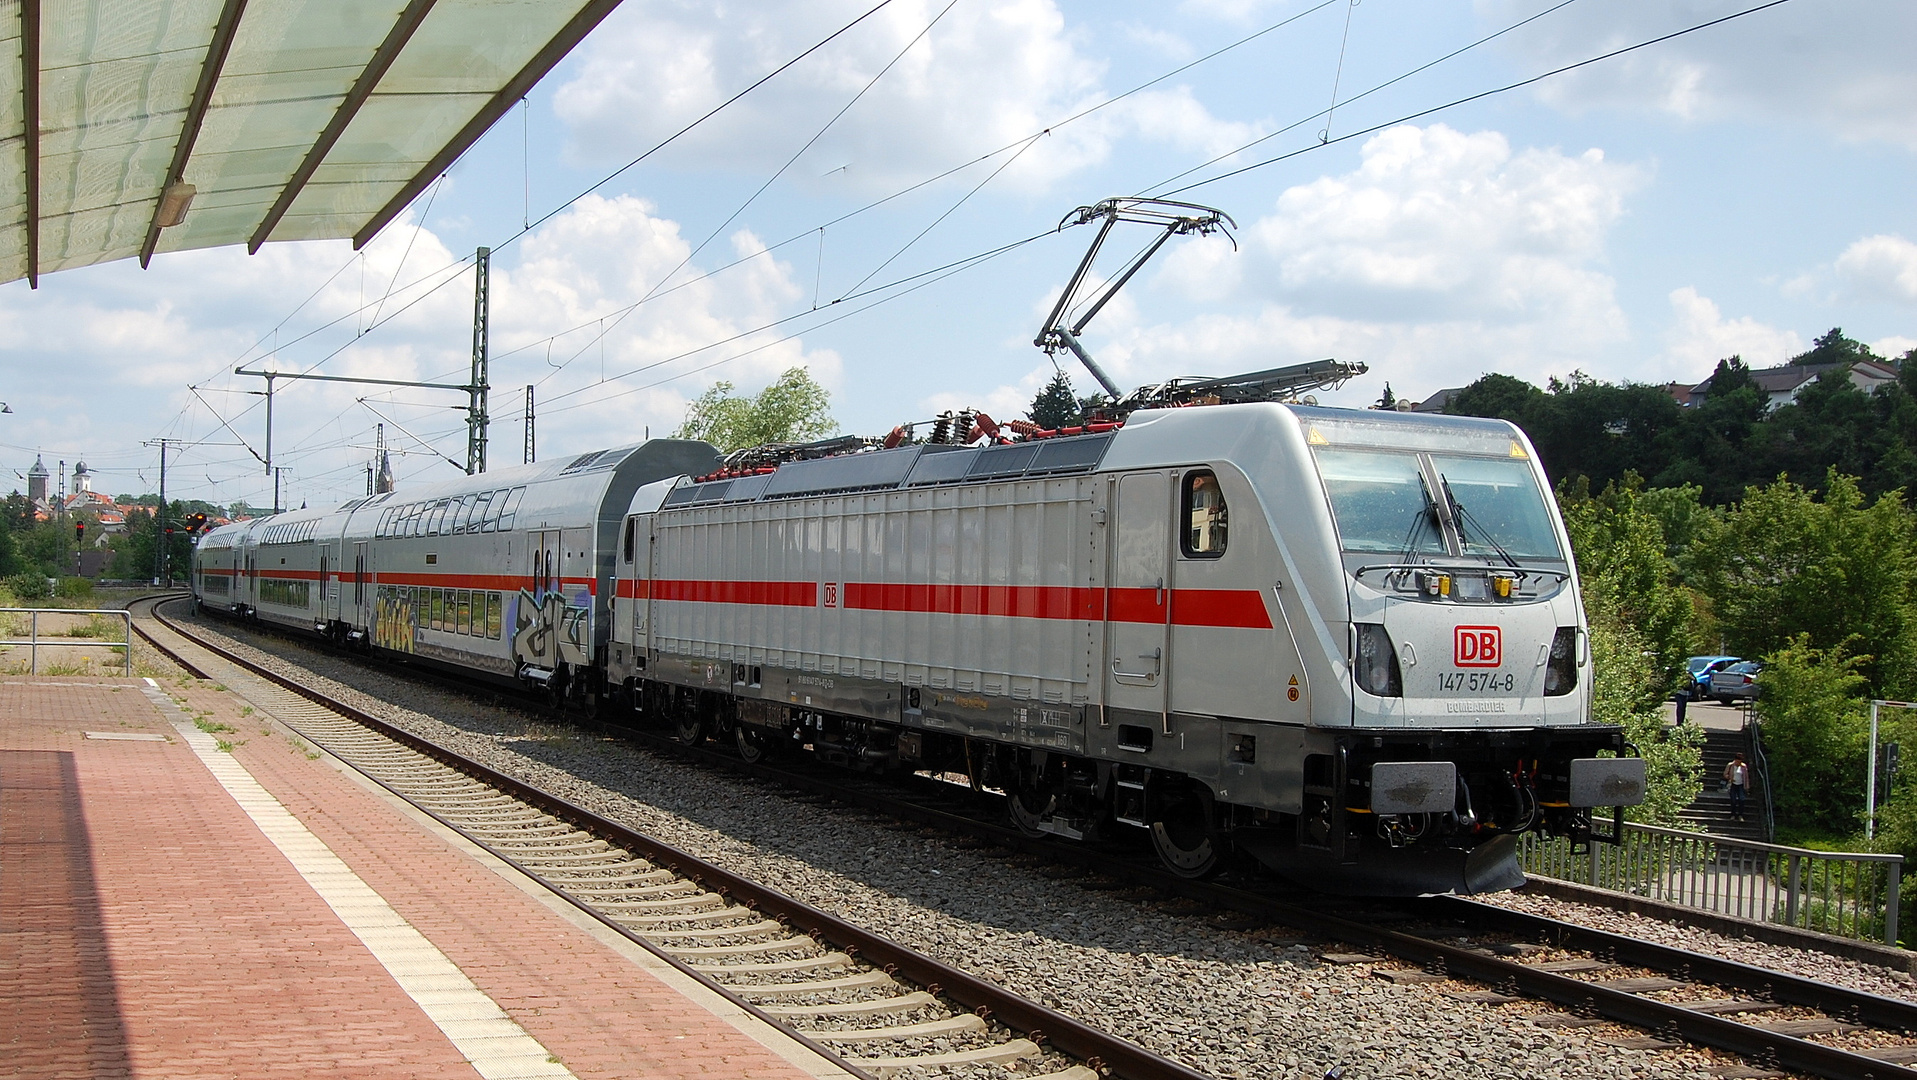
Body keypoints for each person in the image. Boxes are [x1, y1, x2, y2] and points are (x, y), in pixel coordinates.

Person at [1724, 753, 1749, 822]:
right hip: (1733, 784)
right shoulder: (1730, 765)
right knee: (1733, 800)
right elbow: (1725, 774)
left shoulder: (1743, 766)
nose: (1739, 763)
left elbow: (1746, 777)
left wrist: (1747, 786)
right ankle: (1733, 814)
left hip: (1741, 785)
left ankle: (1740, 815)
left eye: (1740, 761)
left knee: (1741, 799)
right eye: (1738, 761)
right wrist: (1729, 778)